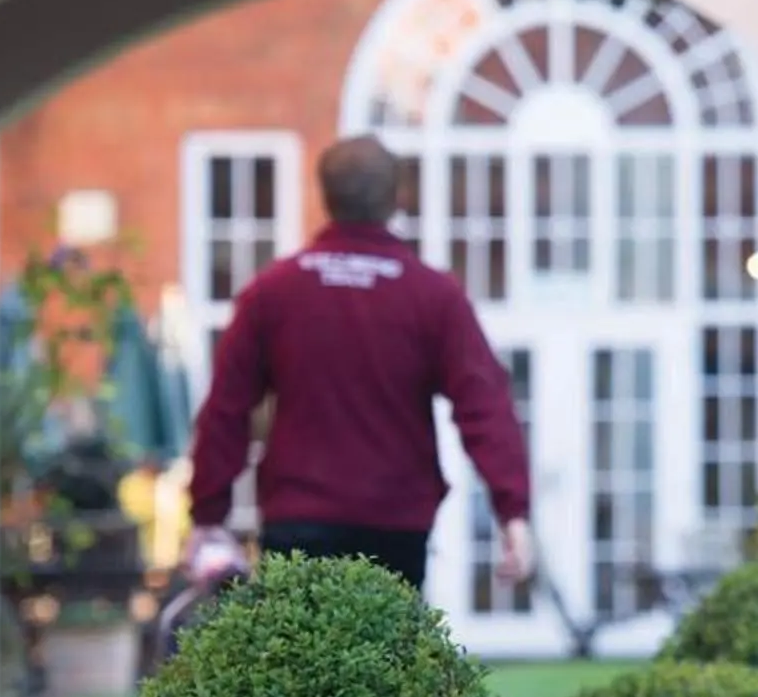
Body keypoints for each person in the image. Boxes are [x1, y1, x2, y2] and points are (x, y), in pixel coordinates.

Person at [183, 133, 533, 593]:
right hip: (395, 523)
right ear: (398, 198)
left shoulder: (274, 292)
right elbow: (484, 404)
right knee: (387, 659)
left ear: (324, 195)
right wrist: (513, 512)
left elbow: (227, 408)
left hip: (299, 518)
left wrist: (209, 514)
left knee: (299, 659)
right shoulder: (432, 296)